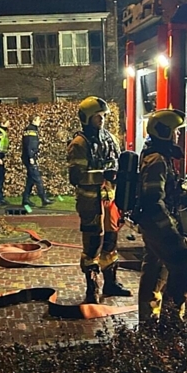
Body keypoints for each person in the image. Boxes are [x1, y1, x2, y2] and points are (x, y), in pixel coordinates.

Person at [67, 97, 131, 304]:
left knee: (111, 243)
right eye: (97, 117)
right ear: (86, 118)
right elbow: (76, 177)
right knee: (92, 246)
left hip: (110, 202)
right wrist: (103, 175)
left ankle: (111, 283)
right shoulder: (79, 144)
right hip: (90, 203)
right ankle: (91, 288)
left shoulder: (110, 138)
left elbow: (118, 164)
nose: (101, 120)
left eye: (103, 116)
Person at [136, 108, 187, 324]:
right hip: (158, 225)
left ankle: (148, 319)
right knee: (182, 264)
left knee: (154, 268)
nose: (177, 135)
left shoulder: (158, 156)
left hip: (153, 225)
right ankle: (172, 319)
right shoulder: (157, 160)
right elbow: (153, 200)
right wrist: (169, 231)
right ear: (164, 132)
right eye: (175, 131)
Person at [21, 115, 55, 209]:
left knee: (31, 179)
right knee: (37, 178)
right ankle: (44, 198)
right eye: (39, 119)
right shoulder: (31, 131)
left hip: (28, 157)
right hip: (30, 158)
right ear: (34, 120)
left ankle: (25, 199)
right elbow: (29, 145)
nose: (40, 121)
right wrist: (31, 157)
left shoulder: (29, 130)